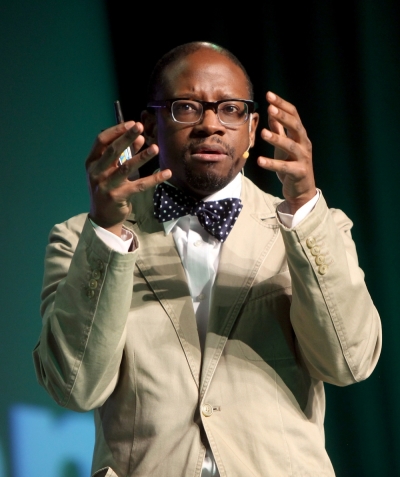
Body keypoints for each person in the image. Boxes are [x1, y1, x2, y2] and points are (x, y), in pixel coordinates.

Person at [33, 42, 381, 477]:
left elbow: (349, 364)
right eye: (186, 108)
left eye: (231, 109)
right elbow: (74, 388)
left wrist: (305, 205)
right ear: (147, 124)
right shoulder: (78, 240)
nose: (210, 125)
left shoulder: (314, 229)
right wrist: (107, 230)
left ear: (253, 129)